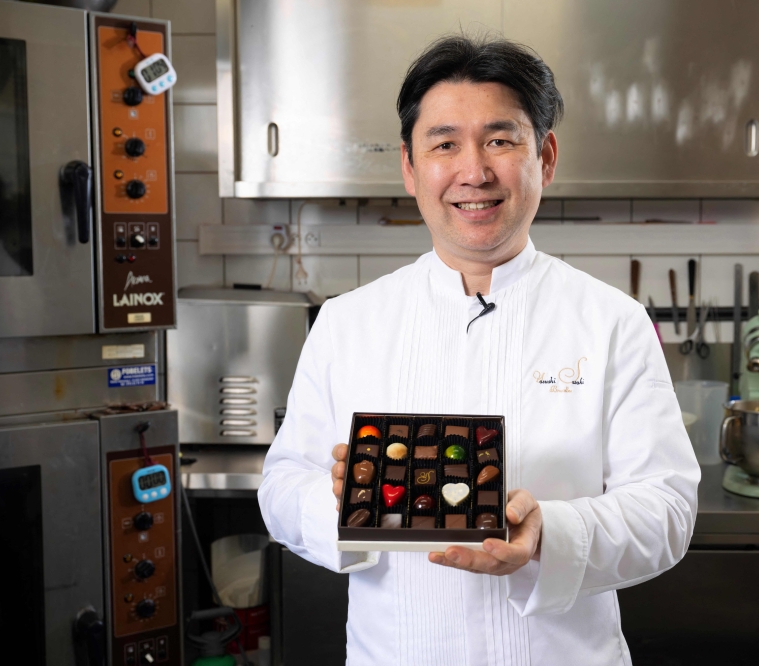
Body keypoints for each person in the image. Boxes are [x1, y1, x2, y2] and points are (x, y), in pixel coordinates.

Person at [259, 35, 700, 665]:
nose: (474, 172)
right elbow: (281, 486)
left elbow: (668, 508)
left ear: (545, 157)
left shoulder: (612, 321)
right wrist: (337, 501)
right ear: (410, 167)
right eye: (444, 145)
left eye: (500, 140)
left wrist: (550, 534)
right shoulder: (346, 322)